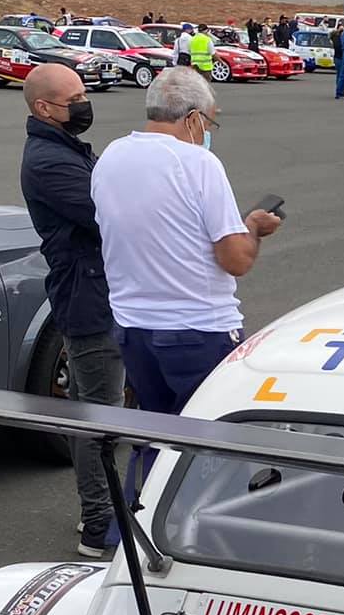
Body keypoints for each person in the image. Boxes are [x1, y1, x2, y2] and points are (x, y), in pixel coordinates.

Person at [91, 69, 283, 416]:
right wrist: (253, 227)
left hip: (133, 326)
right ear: (193, 117)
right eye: (209, 123)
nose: (208, 132)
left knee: (154, 433)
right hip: (197, 329)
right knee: (206, 442)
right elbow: (235, 259)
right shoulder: (198, 163)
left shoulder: (110, 157)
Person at [20, 63, 122, 558]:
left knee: (89, 409)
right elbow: (107, 215)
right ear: (45, 108)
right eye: (76, 97)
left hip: (90, 291)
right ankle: (101, 524)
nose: (85, 104)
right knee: (101, 416)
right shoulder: (49, 161)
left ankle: (97, 513)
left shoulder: (63, 148)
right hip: (88, 297)